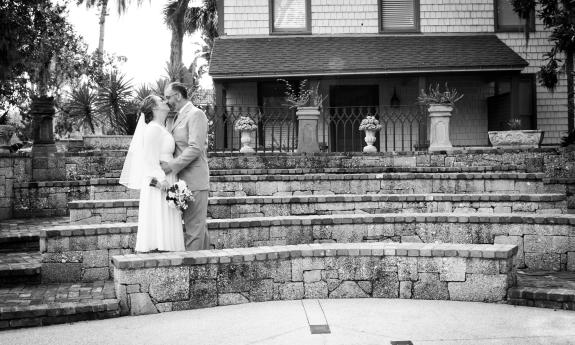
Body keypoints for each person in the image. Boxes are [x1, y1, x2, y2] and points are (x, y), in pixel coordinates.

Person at [119, 95, 185, 252]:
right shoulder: (153, 129)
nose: (165, 102)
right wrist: (162, 180)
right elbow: (149, 158)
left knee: (167, 216)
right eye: (161, 101)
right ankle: (160, 249)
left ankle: (168, 249)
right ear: (155, 108)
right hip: (159, 179)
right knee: (159, 217)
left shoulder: (161, 127)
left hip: (167, 174)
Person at [160, 82, 212, 251]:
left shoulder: (196, 114)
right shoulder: (176, 117)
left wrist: (171, 166)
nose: (167, 101)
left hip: (195, 180)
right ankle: (204, 270)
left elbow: (195, 148)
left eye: (168, 97)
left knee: (194, 230)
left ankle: (193, 272)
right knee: (197, 229)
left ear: (178, 96)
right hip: (181, 180)